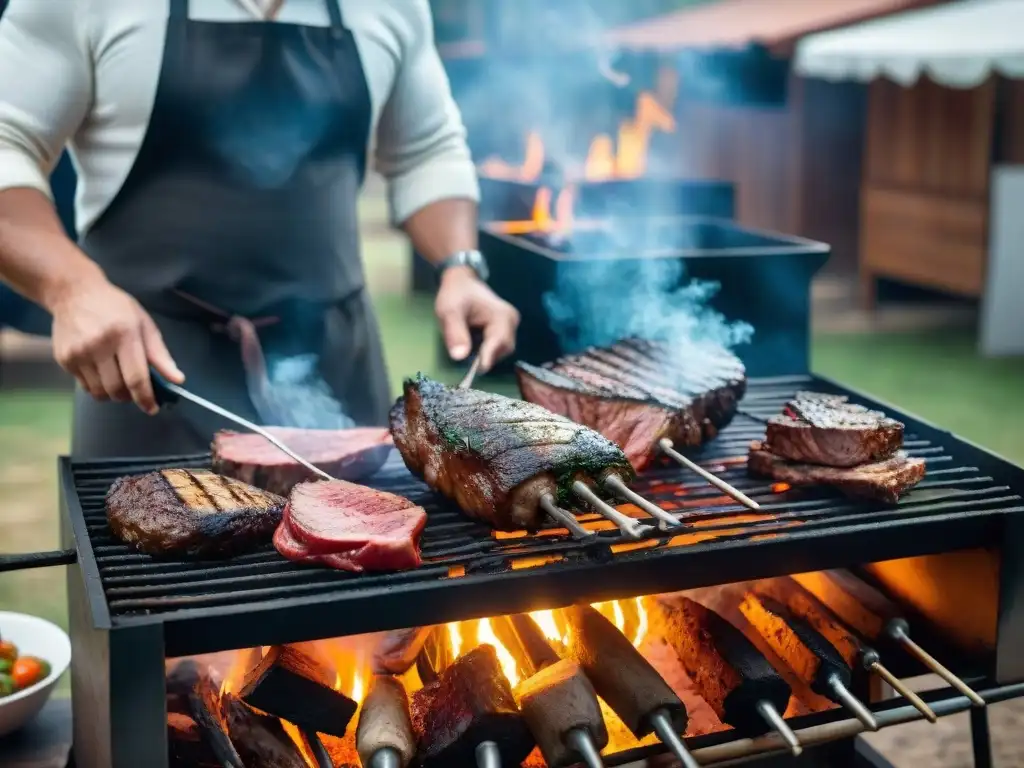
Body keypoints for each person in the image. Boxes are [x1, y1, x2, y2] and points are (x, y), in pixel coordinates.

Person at [0, 0, 519, 458]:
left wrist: (459, 266)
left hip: (337, 364)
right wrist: (71, 289)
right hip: (147, 373)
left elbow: (425, 150)